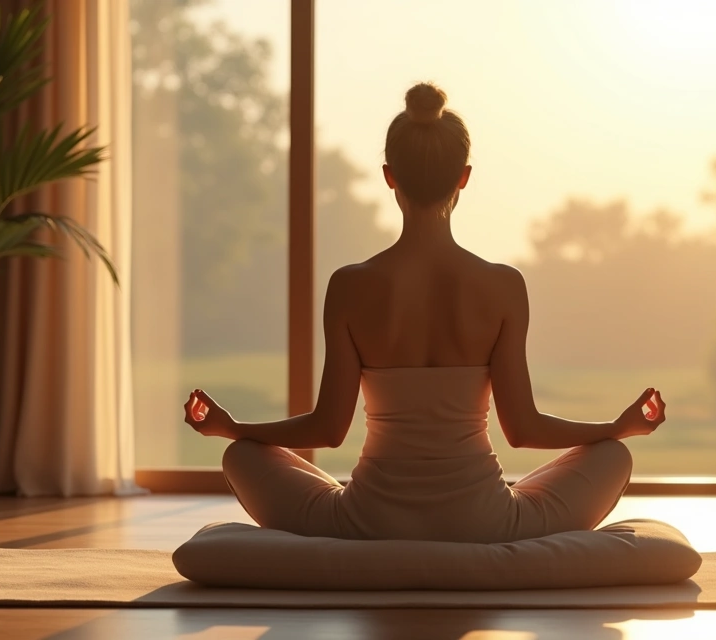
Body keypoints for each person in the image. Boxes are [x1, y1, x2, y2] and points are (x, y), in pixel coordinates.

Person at [184, 82, 666, 544]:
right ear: (465, 177)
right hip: (487, 522)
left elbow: (327, 430)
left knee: (241, 457)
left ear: (390, 175)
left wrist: (235, 428)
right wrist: (615, 428)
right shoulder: (503, 285)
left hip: (367, 520)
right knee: (614, 457)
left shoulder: (349, 285)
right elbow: (523, 429)